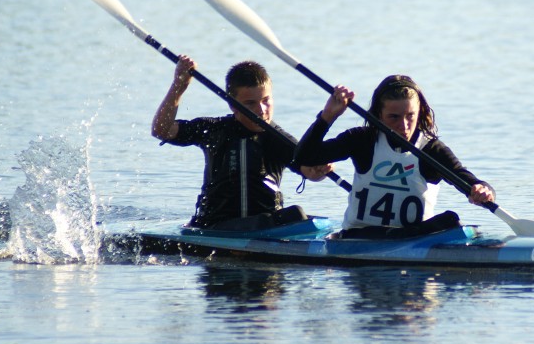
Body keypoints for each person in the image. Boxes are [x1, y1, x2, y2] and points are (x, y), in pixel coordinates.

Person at [294, 74, 495, 237]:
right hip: (359, 237)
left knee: (451, 219)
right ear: (378, 115)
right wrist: (327, 117)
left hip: (413, 240)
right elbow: (303, 158)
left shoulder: (431, 149)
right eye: (394, 117)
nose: (404, 126)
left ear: (420, 112)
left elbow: (464, 177)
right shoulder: (362, 140)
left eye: (410, 116)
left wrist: (483, 190)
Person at [151, 55, 333, 230]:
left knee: (297, 214)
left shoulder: (279, 139)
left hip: (266, 226)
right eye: (250, 103)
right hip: (215, 226)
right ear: (232, 105)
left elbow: (309, 170)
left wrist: (320, 169)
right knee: (296, 215)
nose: (261, 110)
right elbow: (161, 130)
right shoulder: (214, 130)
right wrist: (179, 86)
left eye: (266, 101)